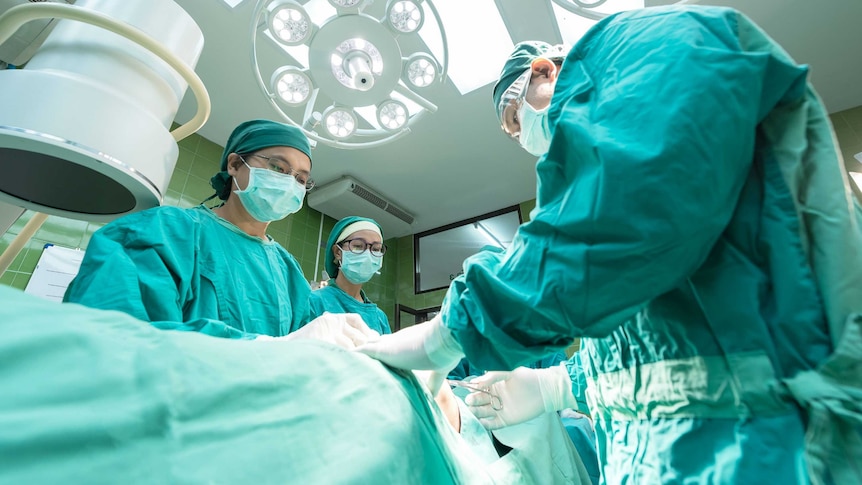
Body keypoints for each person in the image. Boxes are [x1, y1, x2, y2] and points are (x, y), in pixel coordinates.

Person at [359, 5, 862, 484]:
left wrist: (447, 332)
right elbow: (653, 349)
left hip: (785, 446)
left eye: (516, 121)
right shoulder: (602, 168)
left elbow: (629, 212)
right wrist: (559, 386)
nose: (522, 139)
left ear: (542, 71)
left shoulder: (641, 49)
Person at [65, 119, 374, 345]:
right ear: (235, 164)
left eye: (300, 179)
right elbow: (113, 335)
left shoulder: (288, 271)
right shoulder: (165, 233)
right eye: (278, 168)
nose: (289, 182)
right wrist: (264, 352)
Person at [302, 216, 392, 336]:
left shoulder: (379, 317)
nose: (367, 255)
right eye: (358, 246)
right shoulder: (313, 302)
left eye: (376, 249)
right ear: (338, 252)